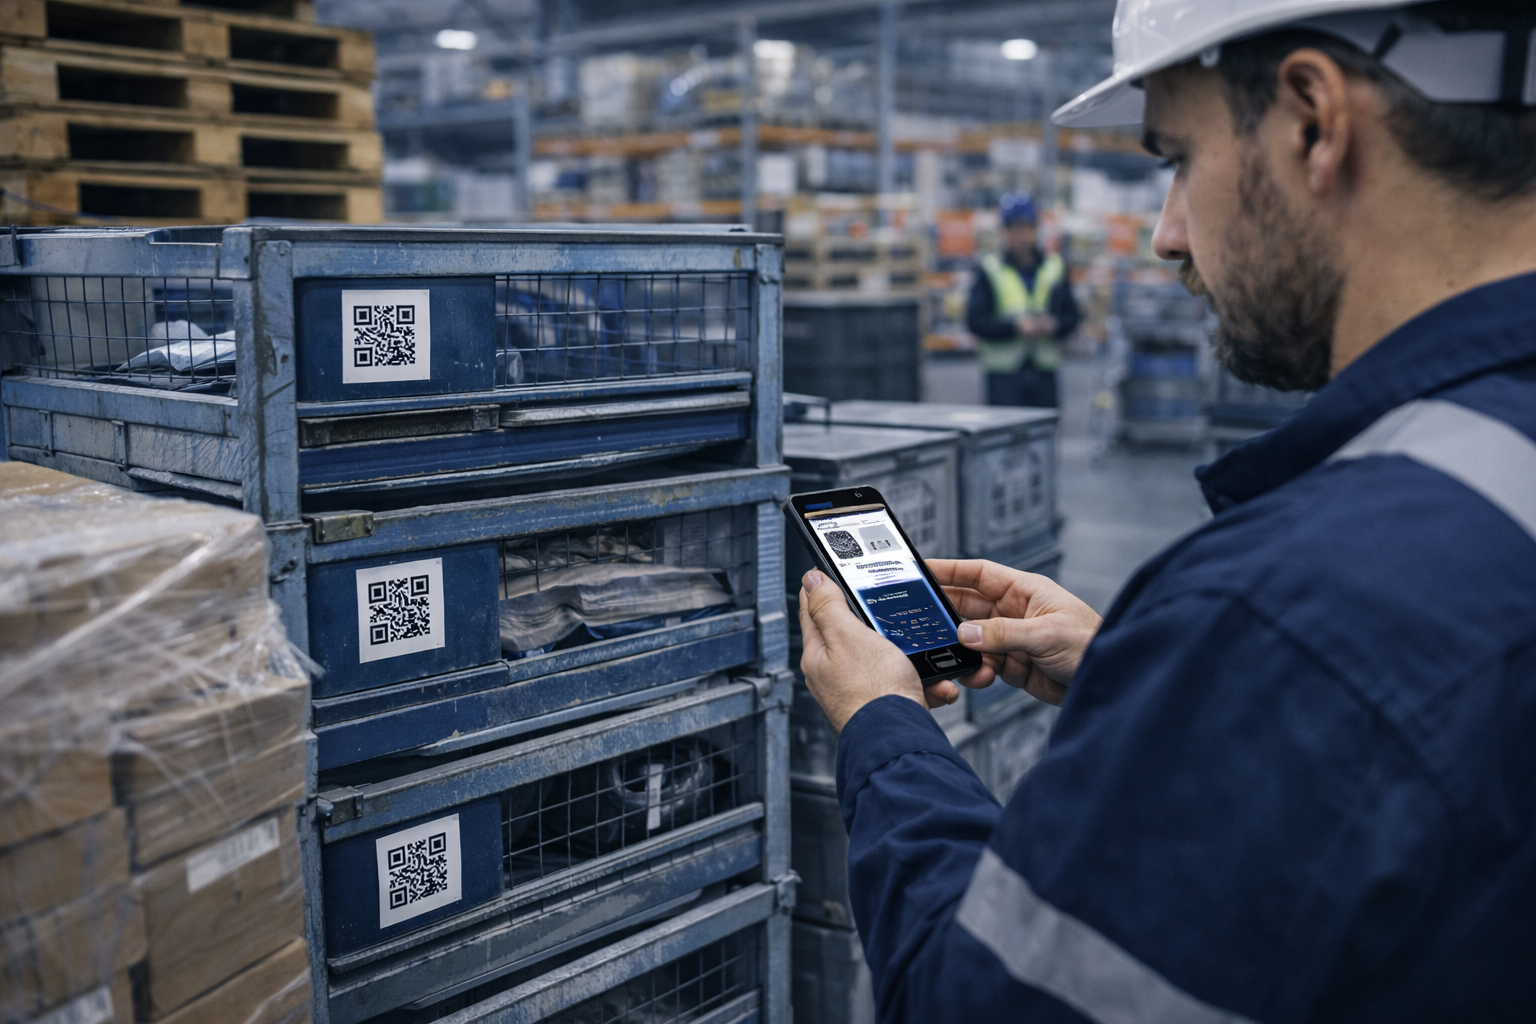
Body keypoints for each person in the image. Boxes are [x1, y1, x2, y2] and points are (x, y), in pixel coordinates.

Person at [797, 0, 1536, 1020]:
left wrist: (881, 722)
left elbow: (983, 1005)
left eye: (1176, 159)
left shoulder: (1289, 614)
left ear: (1315, 121)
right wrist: (1147, 681)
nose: (1165, 237)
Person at [966, 192, 1081, 408]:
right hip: (1004, 375)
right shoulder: (990, 270)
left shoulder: (1054, 268)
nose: (1021, 235)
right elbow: (976, 321)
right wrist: (1015, 327)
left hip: (1044, 372)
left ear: (1035, 229)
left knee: (1042, 435)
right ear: (1005, 232)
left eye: (1027, 227)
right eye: (1014, 228)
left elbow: (1072, 316)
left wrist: (1053, 325)